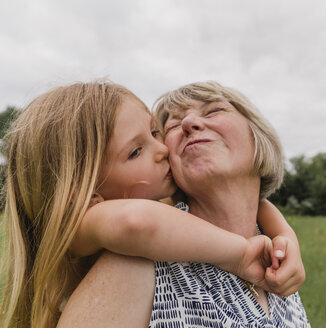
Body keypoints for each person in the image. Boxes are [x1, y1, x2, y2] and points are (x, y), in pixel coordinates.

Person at [0, 81, 304, 328]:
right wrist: (240, 255)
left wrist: (286, 239)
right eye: (171, 126)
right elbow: (138, 222)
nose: (188, 123)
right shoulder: (135, 259)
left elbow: (260, 204)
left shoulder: (277, 254)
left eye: (212, 112)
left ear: (259, 135)